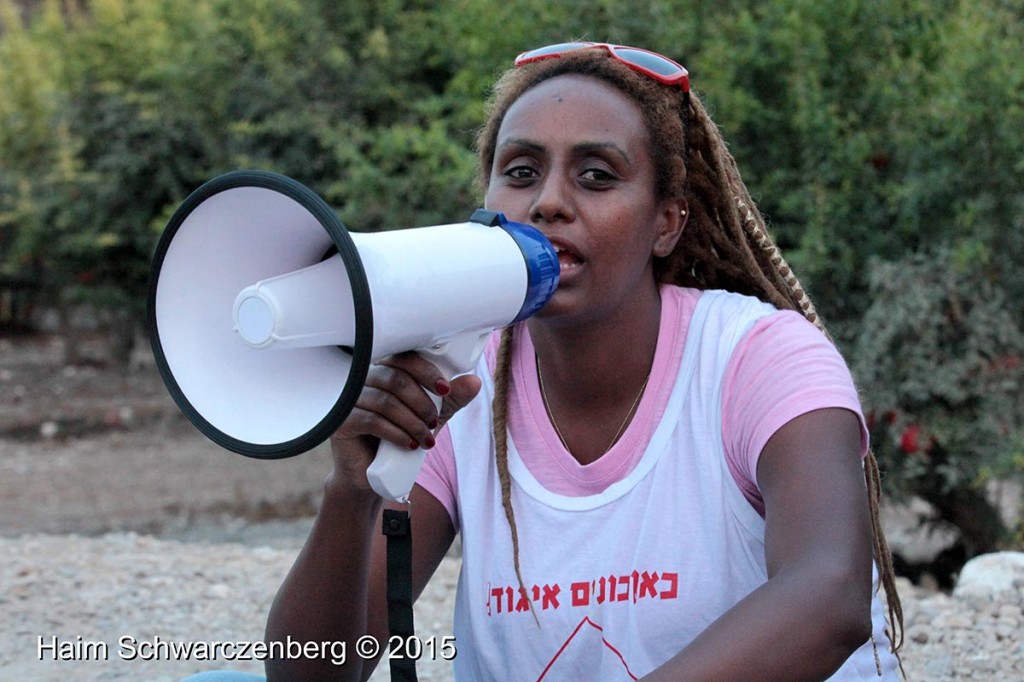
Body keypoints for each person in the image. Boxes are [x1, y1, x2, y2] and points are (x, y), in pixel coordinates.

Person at [194, 41, 905, 681]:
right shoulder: (462, 381)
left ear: (667, 222)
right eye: (522, 171)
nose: (549, 202)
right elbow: (310, 679)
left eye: (597, 176)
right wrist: (352, 492)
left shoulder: (761, 357)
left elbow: (829, 593)